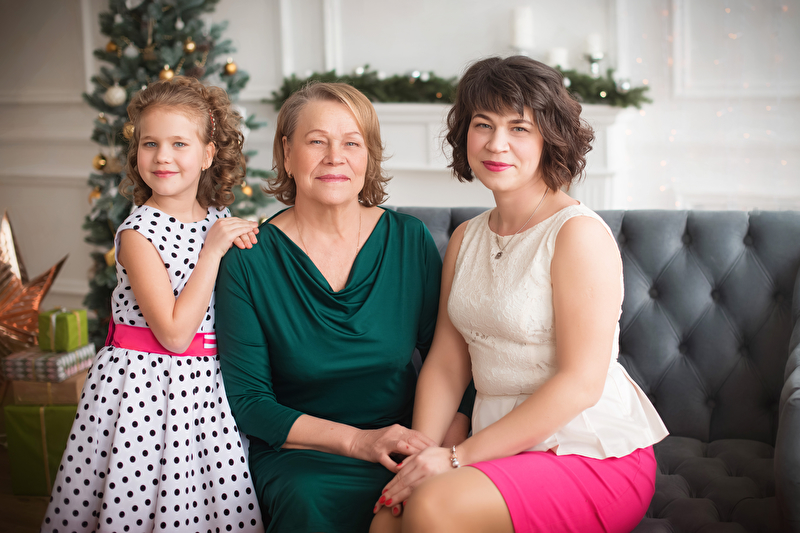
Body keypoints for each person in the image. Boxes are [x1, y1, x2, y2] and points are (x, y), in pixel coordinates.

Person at [371, 56, 669, 533]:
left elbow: (580, 383)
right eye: (483, 124)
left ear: (551, 137)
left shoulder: (577, 234)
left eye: (519, 128)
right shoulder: (466, 238)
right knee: (390, 514)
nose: (496, 143)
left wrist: (454, 457)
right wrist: (421, 454)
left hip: (588, 451)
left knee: (433, 506)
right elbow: (447, 363)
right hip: (498, 449)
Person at [214, 82, 473, 533]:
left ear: (368, 155)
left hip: (408, 441)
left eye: (352, 143)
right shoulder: (248, 259)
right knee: (307, 498)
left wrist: (436, 454)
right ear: (287, 152)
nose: (335, 157)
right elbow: (250, 403)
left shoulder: (409, 240)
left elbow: (452, 362)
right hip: (303, 456)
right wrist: (358, 442)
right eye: (317, 141)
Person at [42, 76, 264, 533]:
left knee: (204, 503)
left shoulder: (220, 220)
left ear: (207, 154)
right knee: (139, 504)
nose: (163, 156)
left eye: (179, 143)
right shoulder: (138, 234)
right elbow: (175, 334)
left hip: (207, 388)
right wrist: (213, 251)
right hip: (142, 392)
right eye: (150, 143)